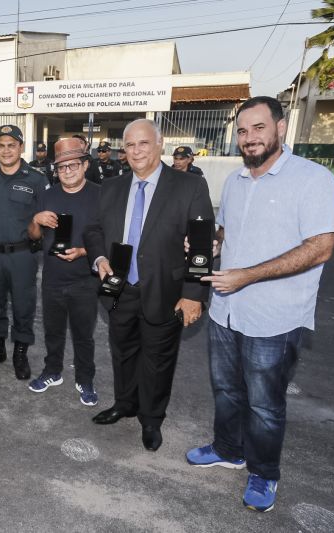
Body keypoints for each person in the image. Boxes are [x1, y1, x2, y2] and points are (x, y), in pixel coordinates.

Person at [186, 96, 334, 513]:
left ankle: (264, 472)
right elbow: (228, 231)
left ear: (281, 127)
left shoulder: (313, 179)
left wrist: (248, 275)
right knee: (225, 390)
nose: (249, 138)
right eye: (242, 130)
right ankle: (228, 449)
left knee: (264, 403)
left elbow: (321, 247)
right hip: (225, 309)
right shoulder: (236, 181)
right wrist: (210, 244)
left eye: (258, 127)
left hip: (274, 317)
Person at [83, 119, 214, 452]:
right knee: (122, 351)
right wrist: (99, 260)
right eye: (129, 145)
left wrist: (193, 294)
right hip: (118, 287)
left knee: (158, 359)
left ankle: (152, 419)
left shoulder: (189, 187)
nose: (136, 151)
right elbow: (94, 230)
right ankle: (125, 403)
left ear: (160, 143)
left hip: (165, 291)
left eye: (143, 143)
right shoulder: (111, 187)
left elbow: (200, 245)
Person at [27, 137, 100, 405]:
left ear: (85, 165)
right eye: (61, 168)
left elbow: (108, 239)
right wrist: (36, 220)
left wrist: (83, 251)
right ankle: (52, 371)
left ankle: (85, 378)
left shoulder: (100, 195)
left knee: (84, 334)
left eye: (73, 166)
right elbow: (33, 236)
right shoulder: (47, 195)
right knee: (53, 331)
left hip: (85, 280)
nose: (67, 172)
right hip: (52, 278)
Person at [0, 124, 49, 380]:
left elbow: (45, 220)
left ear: (21, 147)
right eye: (1, 145)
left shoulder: (37, 179)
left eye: (11, 145)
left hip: (22, 255)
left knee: (23, 305)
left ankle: (20, 352)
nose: (6, 150)